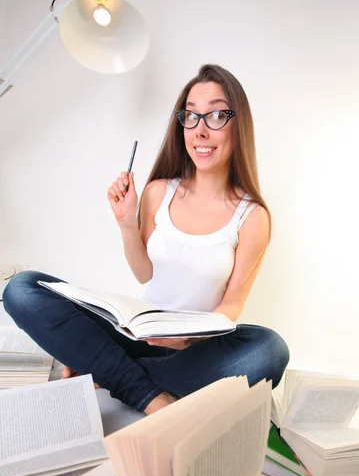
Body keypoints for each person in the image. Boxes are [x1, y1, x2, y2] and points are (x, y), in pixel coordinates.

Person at [3, 64, 289, 415]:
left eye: (216, 115)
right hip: (134, 336)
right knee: (22, 287)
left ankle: (108, 370)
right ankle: (148, 393)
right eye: (191, 116)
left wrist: (184, 338)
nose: (200, 130)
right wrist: (126, 222)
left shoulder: (252, 217)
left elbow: (231, 306)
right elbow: (144, 274)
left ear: (237, 124)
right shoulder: (158, 192)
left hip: (192, 354)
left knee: (269, 350)